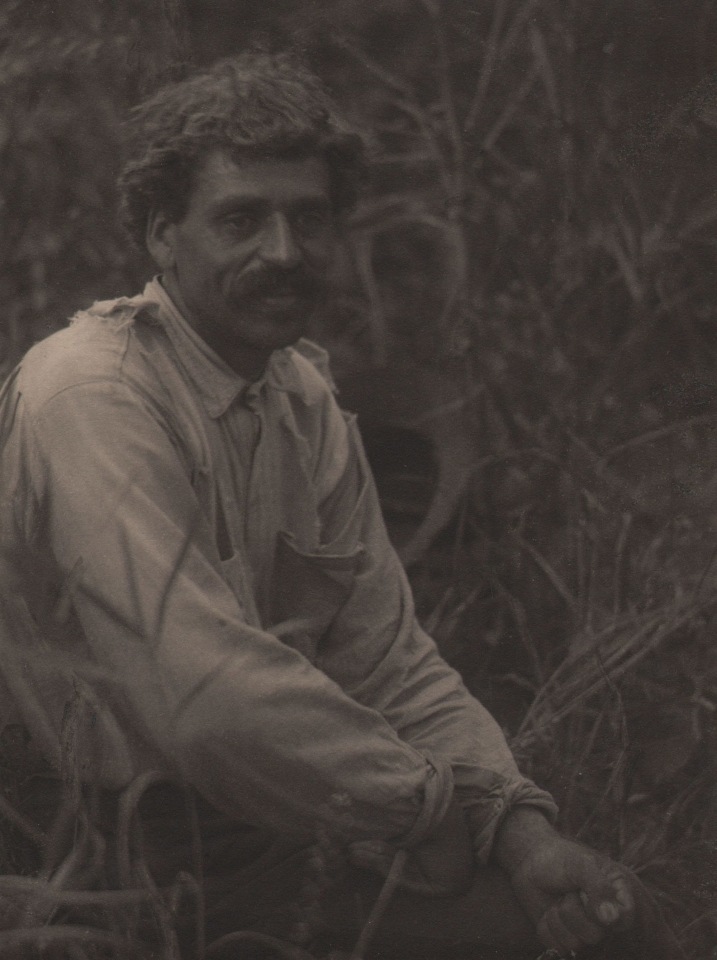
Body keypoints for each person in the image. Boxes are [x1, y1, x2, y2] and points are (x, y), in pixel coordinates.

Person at [0, 52, 663, 960]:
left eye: (307, 218)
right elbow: (202, 700)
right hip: (96, 845)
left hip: (269, 814)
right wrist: (414, 806)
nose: (282, 251)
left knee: (595, 917)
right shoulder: (91, 392)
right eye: (240, 219)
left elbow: (389, 665)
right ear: (162, 235)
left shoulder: (300, 400)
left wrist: (516, 829)